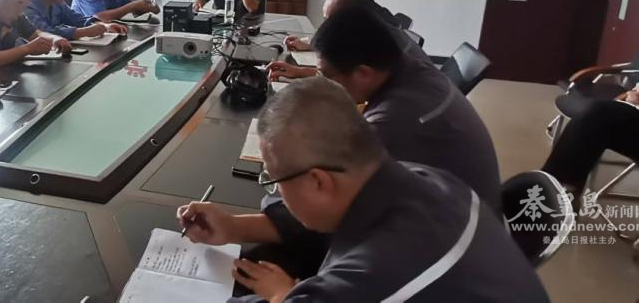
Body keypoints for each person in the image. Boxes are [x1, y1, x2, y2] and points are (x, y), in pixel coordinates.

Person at [197, 5, 502, 281]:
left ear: (363, 74)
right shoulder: (409, 68)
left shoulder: (394, 124)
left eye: (326, 76)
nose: (322, 84)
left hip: (442, 258)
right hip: (463, 227)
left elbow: (326, 213)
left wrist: (234, 227)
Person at [178, 78, 548, 302]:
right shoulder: (427, 178)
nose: (277, 193)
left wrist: (282, 295)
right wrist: (233, 227)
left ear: (319, 181)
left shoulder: (364, 279)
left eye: (275, 181)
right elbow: (319, 223)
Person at [273, 0, 428, 66]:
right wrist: (309, 47)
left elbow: (343, 77)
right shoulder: (375, 18)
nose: (329, 27)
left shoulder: (374, 35)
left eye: (332, 20)